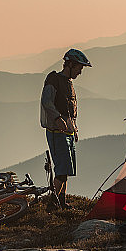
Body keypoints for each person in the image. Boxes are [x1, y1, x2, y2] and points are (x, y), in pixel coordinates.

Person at [40, 48, 92, 208]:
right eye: (79, 68)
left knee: (66, 170)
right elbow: (46, 101)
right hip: (57, 133)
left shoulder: (69, 84)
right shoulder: (54, 80)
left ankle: (61, 201)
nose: (80, 72)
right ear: (69, 65)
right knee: (62, 170)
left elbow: (70, 111)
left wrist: (74, 129)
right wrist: (57, 119)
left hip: (68, 133)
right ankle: (53, 203)